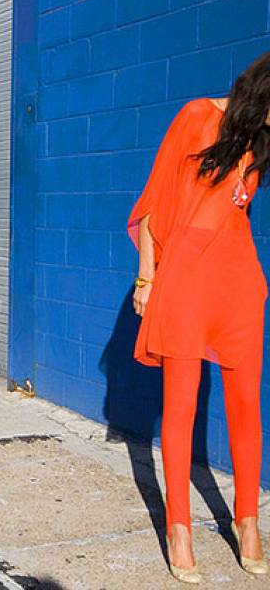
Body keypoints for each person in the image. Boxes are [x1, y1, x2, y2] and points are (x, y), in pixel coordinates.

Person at [127, 51, 270, 584]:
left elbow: (236, 212)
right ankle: (179, 528)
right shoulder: (195, 114)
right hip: (185, 280)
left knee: (246, 405)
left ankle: (248, 522)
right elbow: (154, 200)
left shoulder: (258, 142)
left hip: (239, 284)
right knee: (181, 405)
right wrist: (147, 278)